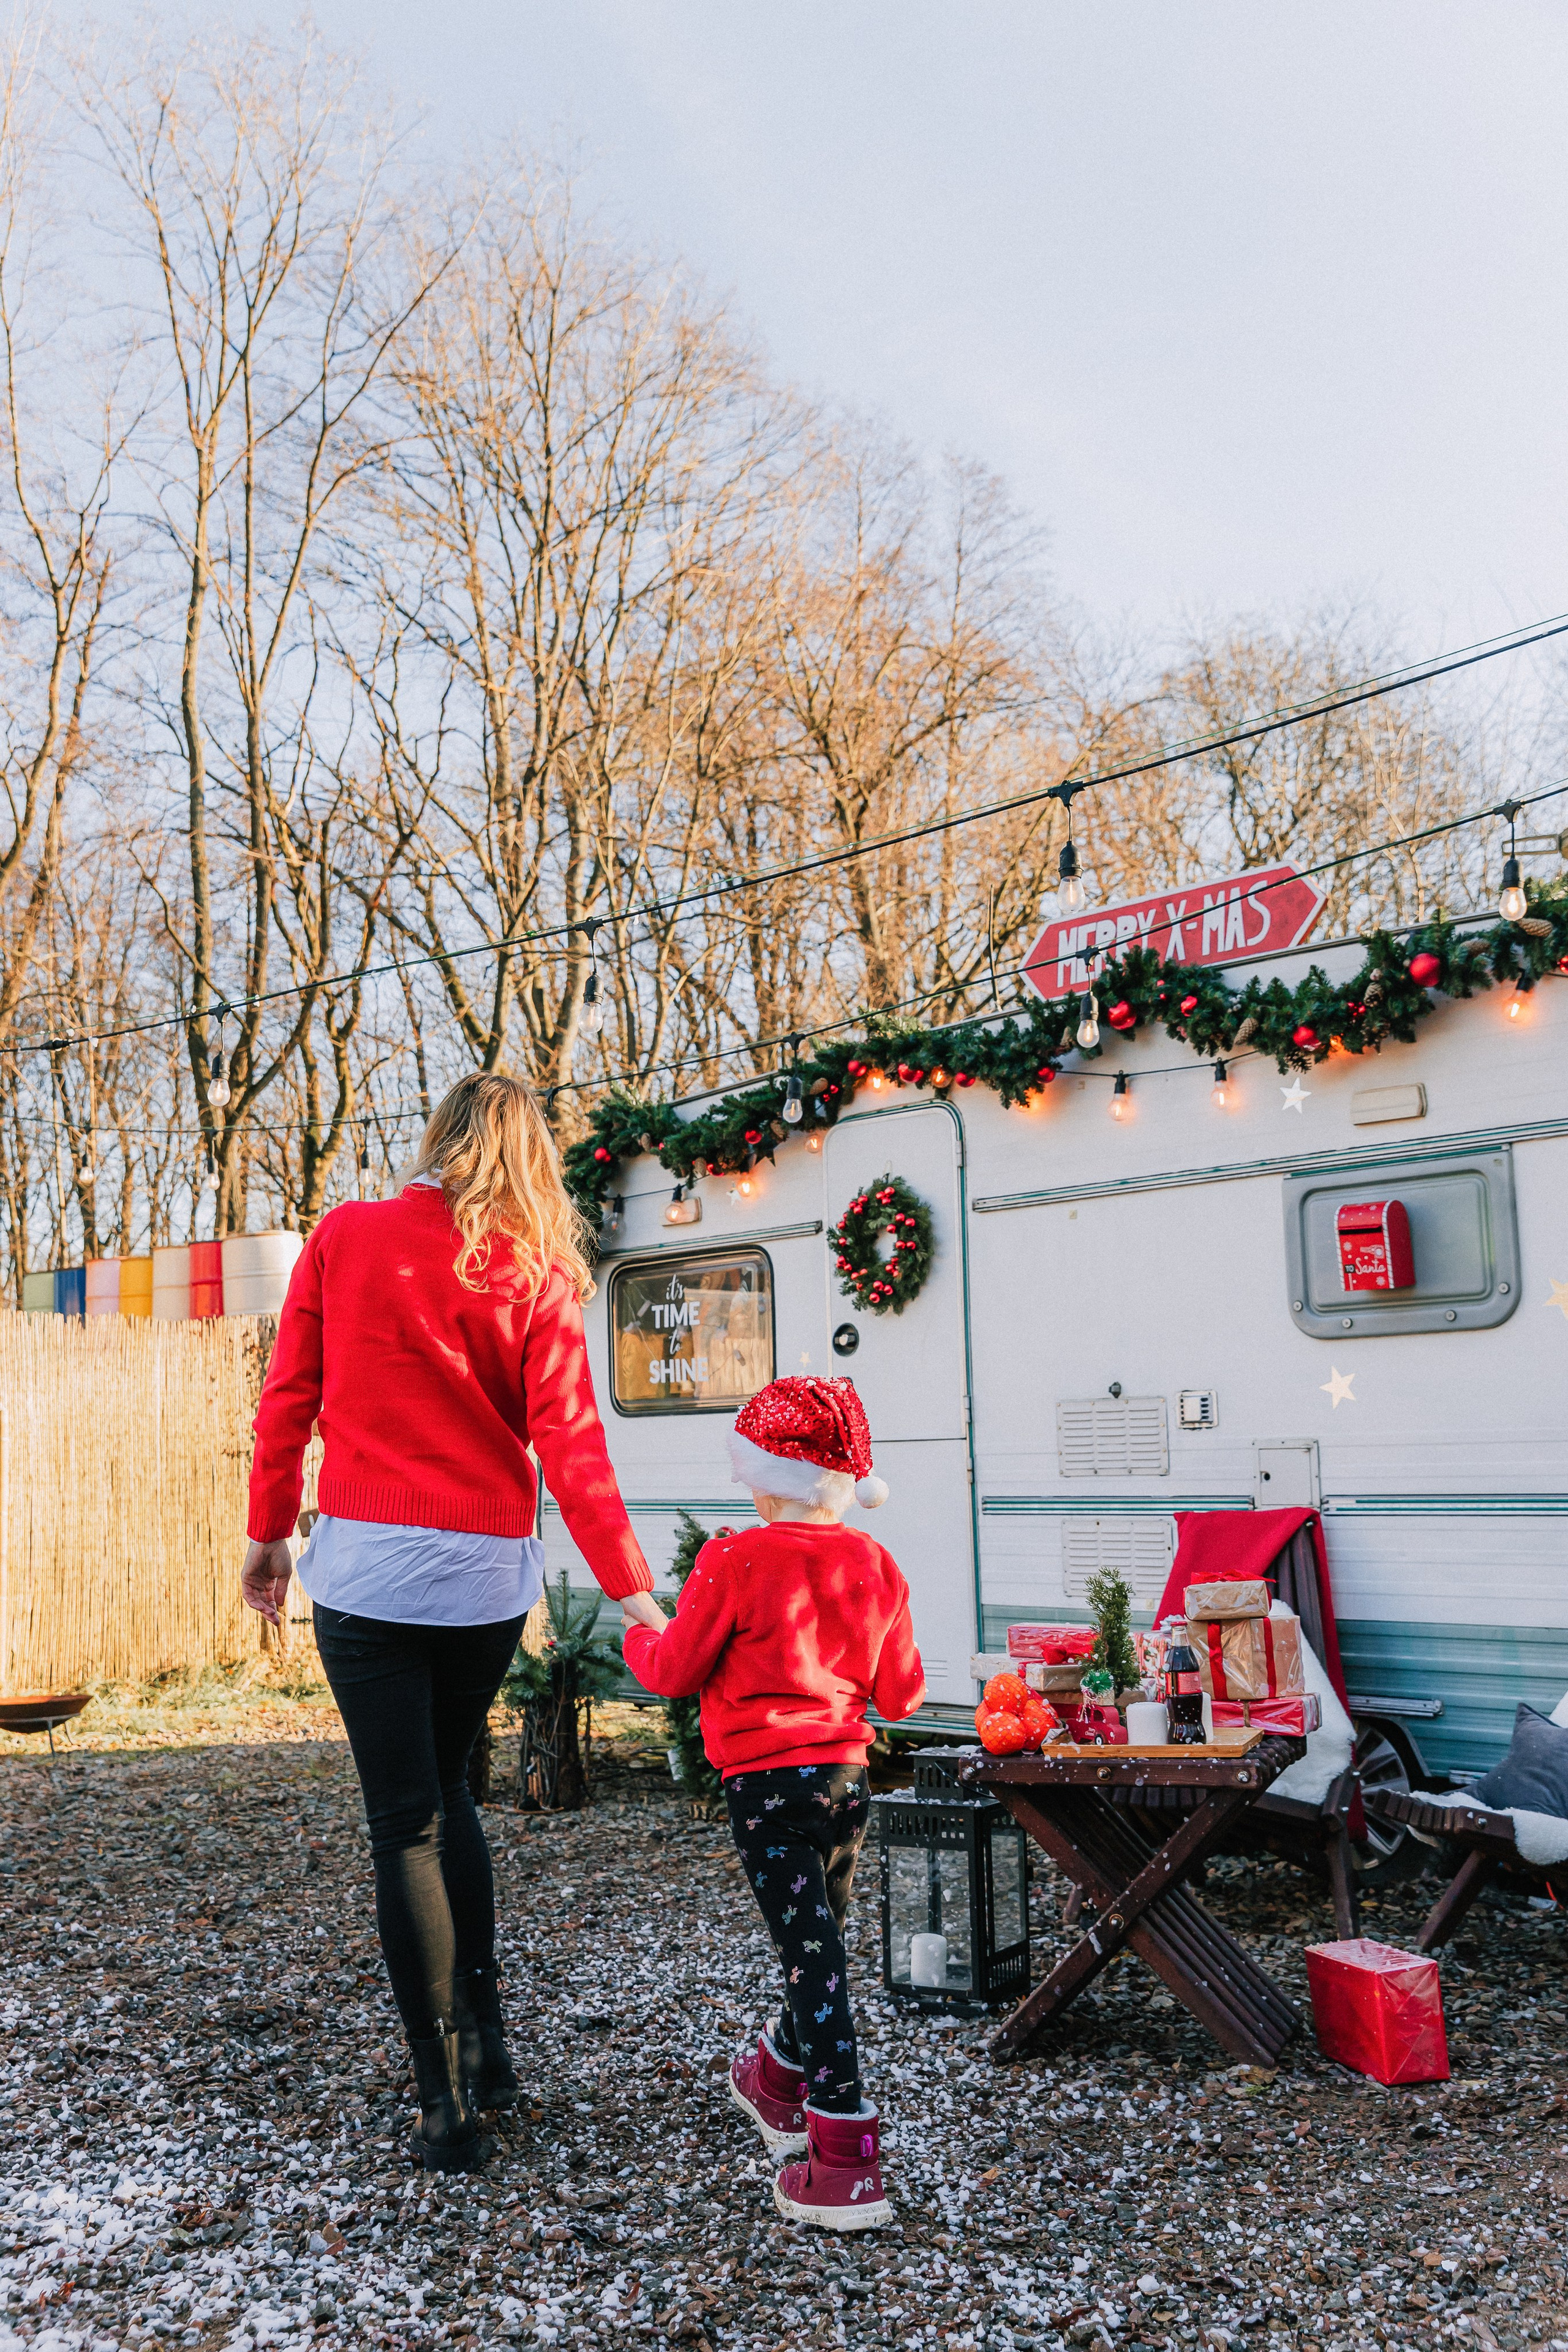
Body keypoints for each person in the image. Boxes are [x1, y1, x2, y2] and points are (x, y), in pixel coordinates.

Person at [240, 1072, 666, 2174]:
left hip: (371, 1569)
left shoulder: (346, 1235)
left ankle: (442, 2103)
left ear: (438, 1139)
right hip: (485, 1577)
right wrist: (631, 1589)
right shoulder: (531, 1270)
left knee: (406, 1821)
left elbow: (289, 1395)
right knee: (448, 1795)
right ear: (529, 1158)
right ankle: (491, 2049)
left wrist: (268, 1532)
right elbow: (573, 1443)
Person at [621, 1376, 924, 2231]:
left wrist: (636, 1634)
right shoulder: (877, 1564)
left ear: (772, 1476)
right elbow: (901, 1694)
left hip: (765, 1791)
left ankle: (843, 2163)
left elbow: (675, 1671)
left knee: (813, 1959)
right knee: (819, 1945)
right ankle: (773, 2078)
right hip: (845, 1786)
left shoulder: (734, 1559)